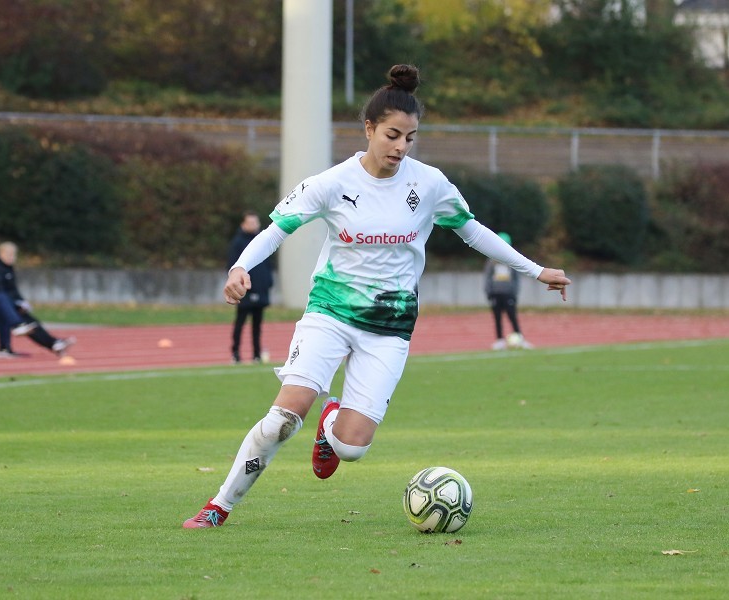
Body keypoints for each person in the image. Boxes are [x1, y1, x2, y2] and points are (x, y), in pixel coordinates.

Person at [182, 64, 571, 529]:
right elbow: (277, 229)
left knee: (352, 447)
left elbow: (473, 231)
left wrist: (536, 270)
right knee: (284, 417)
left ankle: (331, 425)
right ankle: (219, 506)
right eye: (392, 135)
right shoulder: (332, 183)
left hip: (390, 328)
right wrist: (242, 266)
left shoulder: (428, 184)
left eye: (410, 138)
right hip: (329, 312)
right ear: (368, 129)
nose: (400, 147)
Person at [0, 242, 76, 357]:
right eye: (10, 255)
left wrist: (21, 302)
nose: (13, 258)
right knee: (10, 313)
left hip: (7, 305)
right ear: (1, 254)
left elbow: (13, 290)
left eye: (14, 255)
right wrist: (15, 304)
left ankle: (52, 343)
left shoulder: (8, 269)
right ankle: (14, 331)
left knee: (29, 320)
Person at [226, 211, 273, 364]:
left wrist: (268, 282)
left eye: (255, 222)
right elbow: (233, 265)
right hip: (244, 292)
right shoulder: (238, 242)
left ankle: (257, 354)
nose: (253, 225)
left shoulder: (262, 242)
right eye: (250, 222)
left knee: (257, 325)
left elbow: (267, 265)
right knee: (240, 322)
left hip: (261, 290)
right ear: (243, 224)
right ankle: (235, 353)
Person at [484, 232, 532, 350]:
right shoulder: (491, 261)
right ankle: (499, 340)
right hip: (495, 293)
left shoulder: (512, 260)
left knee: (512, 316)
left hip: (508, 293)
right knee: (497, 318)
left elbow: (516, 278)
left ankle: (520, 338)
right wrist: (489, 292)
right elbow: (488, 277)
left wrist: (514, 292)